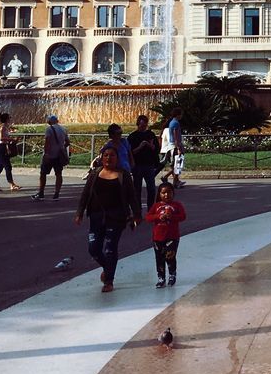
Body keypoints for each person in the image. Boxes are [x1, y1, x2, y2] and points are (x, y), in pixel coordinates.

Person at [74, 147, 140, 292]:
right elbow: (85, 194)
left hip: (117, 217)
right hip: (96, 216)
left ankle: (109, 281)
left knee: (110, 249)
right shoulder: (95, 174)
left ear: (117, 158)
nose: (109, 158)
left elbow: (132, 197)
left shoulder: (123, 175)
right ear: (101, 158)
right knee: (93, 248)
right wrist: (79, 212)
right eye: (106, 155)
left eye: (112, 155)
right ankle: (107, 267)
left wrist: (136, 214)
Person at [145, 182, 187, 288]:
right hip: (158, 237)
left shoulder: (177, 205)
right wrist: (158, 217)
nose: (166, 195)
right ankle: (161, 277)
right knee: (159, 258)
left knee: (170, 256)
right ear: (159, 194)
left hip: (172, 236)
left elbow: (183, 216)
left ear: (173, 193)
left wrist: (171, 217)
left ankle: (172, 274)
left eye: (169, 192)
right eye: (163, 193)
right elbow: (148, 217)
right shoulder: (156, 206)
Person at [127, 114, 160, 211]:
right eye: (141, 125)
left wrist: (151, 146)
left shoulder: (151, 134)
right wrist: (140, 146)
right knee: (137, 189)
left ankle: (150, 209)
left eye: (145, 125)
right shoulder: (133, 136)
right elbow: (130, 152)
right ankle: (138, 210)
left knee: (151, 189)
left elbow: (156, 149)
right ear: (138, 124)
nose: (143, 127)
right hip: (137, 166)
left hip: (149, 165)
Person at [35, 113, 70, 200]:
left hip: (50, 155)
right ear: (57, 121)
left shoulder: (49, 129)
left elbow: (47, 142)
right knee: (58, 174)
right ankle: (56, 194)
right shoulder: (63, 129)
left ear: (49, 122)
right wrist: (61, 147)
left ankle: (41, 193)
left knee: (43, 173)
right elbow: (68, 142)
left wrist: (46, 153)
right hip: (59, 155)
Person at [0, 113, 22, 191]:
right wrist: (12, 139)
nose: (10, 119)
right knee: (7, 166)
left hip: (2, 148)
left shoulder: (4, 127)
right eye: (9, 118)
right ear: (6, 119)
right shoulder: (2, 127)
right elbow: (1, 138)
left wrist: (9, 142)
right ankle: (11, 184)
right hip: (1, 148)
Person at [160, 112, 185, 188]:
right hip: (171, 148)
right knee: (177, 165)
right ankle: (173, 181)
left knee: (175, 166)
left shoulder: (165, 130)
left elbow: (161, 139)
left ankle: (176, 181)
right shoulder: (172, 126)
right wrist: (178, 148)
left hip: (167, 149)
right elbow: (174, 137)